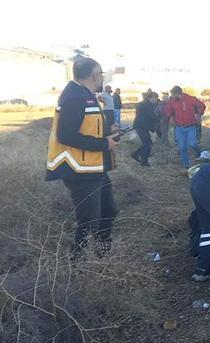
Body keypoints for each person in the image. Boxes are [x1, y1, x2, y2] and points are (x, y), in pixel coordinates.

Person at [45, 57, 119, 258]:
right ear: (95, 76)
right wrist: (104, 144)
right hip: (80, 171)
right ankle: (78, 264)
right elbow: (66, 134)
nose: (102, 78)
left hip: (94, 168)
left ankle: (103, 255)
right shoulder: (74, 96)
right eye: (101, 74)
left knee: (108, 211)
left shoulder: (85, 94)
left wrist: (107, 130)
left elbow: (86, 126)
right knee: (88, 221)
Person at [165, 86, 206, 168]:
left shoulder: (191, 99)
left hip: (190, 126)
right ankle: (185, 165)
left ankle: (199, 152)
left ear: (177, 93)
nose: (172, 96)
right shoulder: (172, 101)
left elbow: (202, 105)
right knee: (182, 147)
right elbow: (168, 110)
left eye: (173, 94)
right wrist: (171, 117)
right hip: (179, 128)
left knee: (193, 143)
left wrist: (198, 114)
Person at [132, 92, 159, 166]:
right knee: (147, 144)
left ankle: (136, 155)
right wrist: (159, 119)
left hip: (140, 125)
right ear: (151, 98)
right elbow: (151, 116)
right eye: (156, 98)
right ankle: (144, 161)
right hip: (142, 126)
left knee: (147, 143)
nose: (156, 100)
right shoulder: (148, 105)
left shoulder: (142, 103)